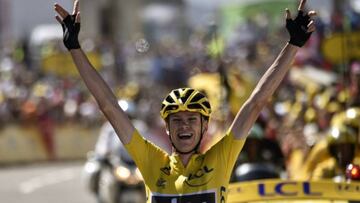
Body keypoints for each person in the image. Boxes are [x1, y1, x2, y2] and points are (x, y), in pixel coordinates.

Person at [54, 0, 316, 202]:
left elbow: (256, 102)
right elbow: (109, 105)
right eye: (176, 121)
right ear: (166, 128)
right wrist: (75, 48)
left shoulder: (220, 159)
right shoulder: (151, 162)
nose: (184, 127)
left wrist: (293, 44)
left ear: (204, 127)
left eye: (192, 120)